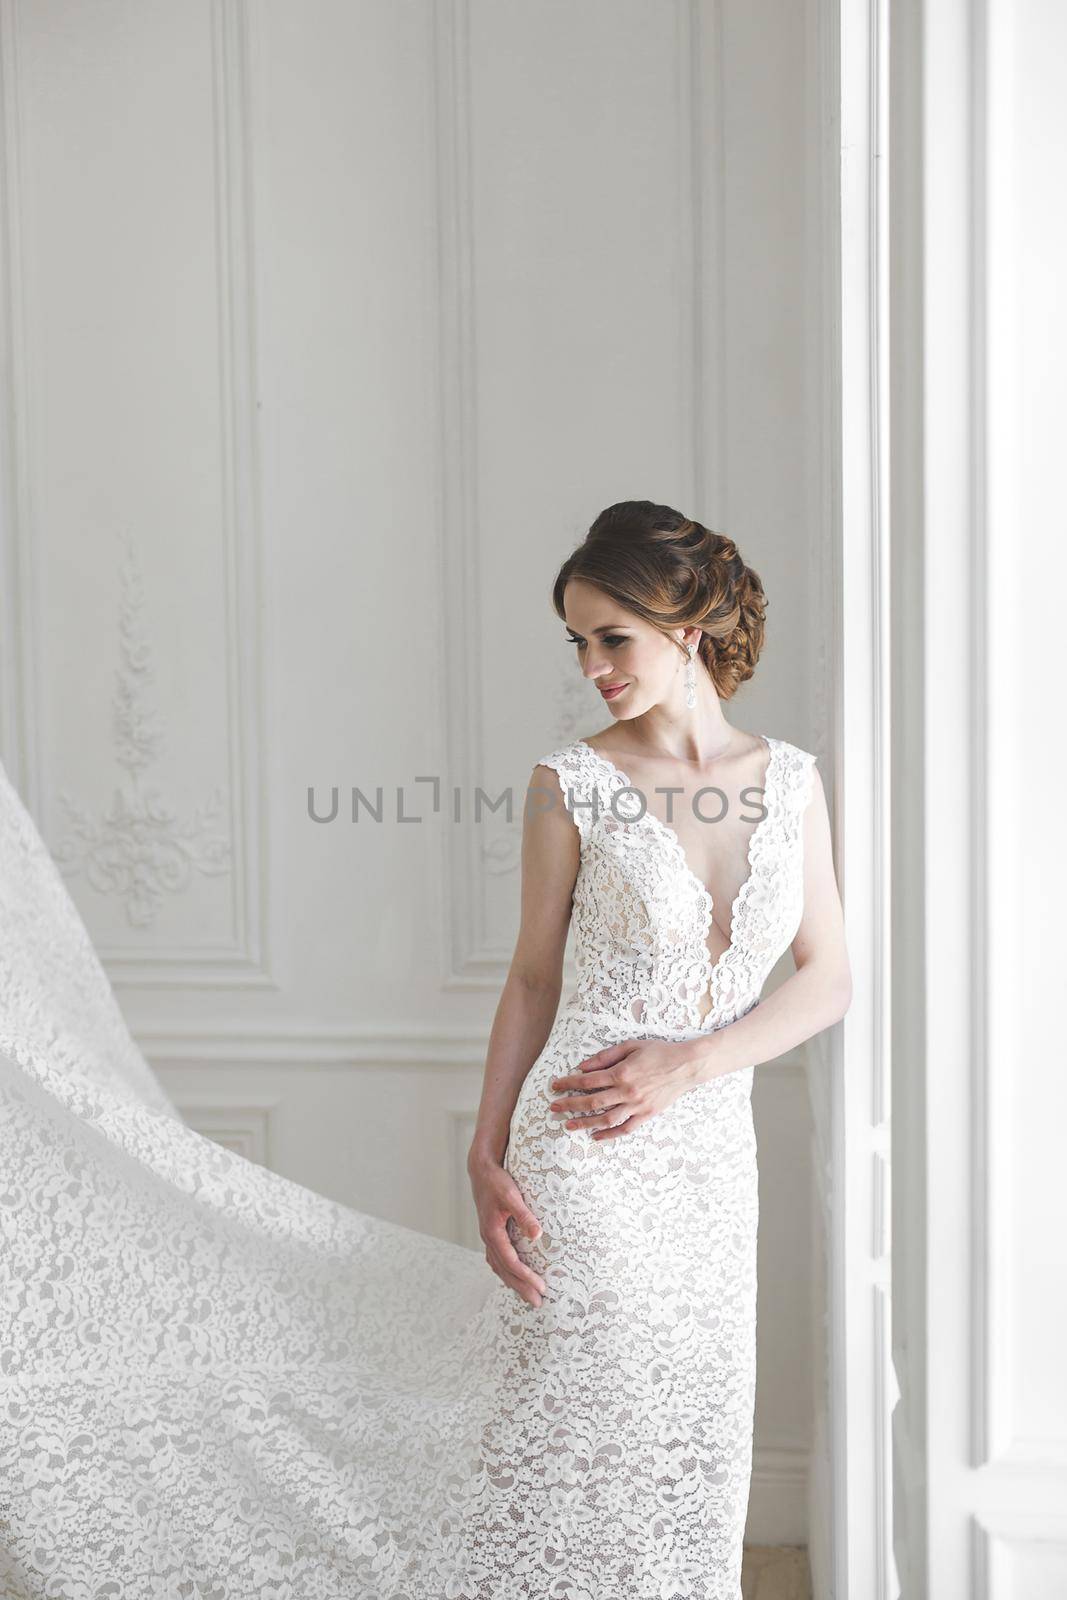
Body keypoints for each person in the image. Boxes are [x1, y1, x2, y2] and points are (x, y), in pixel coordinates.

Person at [0, 500, 849, 1600]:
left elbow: (827, 978)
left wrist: (690, 1064)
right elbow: (533, 977)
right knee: (583, 1408)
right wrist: (487, 1148)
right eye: (578, 642)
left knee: (688, 1410)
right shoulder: (572, 785)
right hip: (583, 1150)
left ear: (685, 626)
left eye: (611, 638)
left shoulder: (787, 781)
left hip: (708, 1164)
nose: (590, 665)